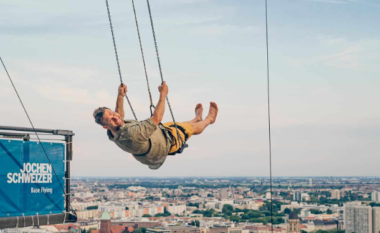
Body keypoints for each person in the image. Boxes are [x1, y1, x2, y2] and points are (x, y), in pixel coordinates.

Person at [93, 82, 218, 170]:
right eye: (110, 119)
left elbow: (119, 116)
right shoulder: (131, 135)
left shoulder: (114, 131)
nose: (116, 117)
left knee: (179, 124)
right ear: (106, 126)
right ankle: (209, 119)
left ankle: (197, 118)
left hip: (157, 136)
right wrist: (163, 94)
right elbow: (157, 118)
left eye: (113, 113)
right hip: (166, 143)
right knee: (190, 129)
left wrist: (120, 96)